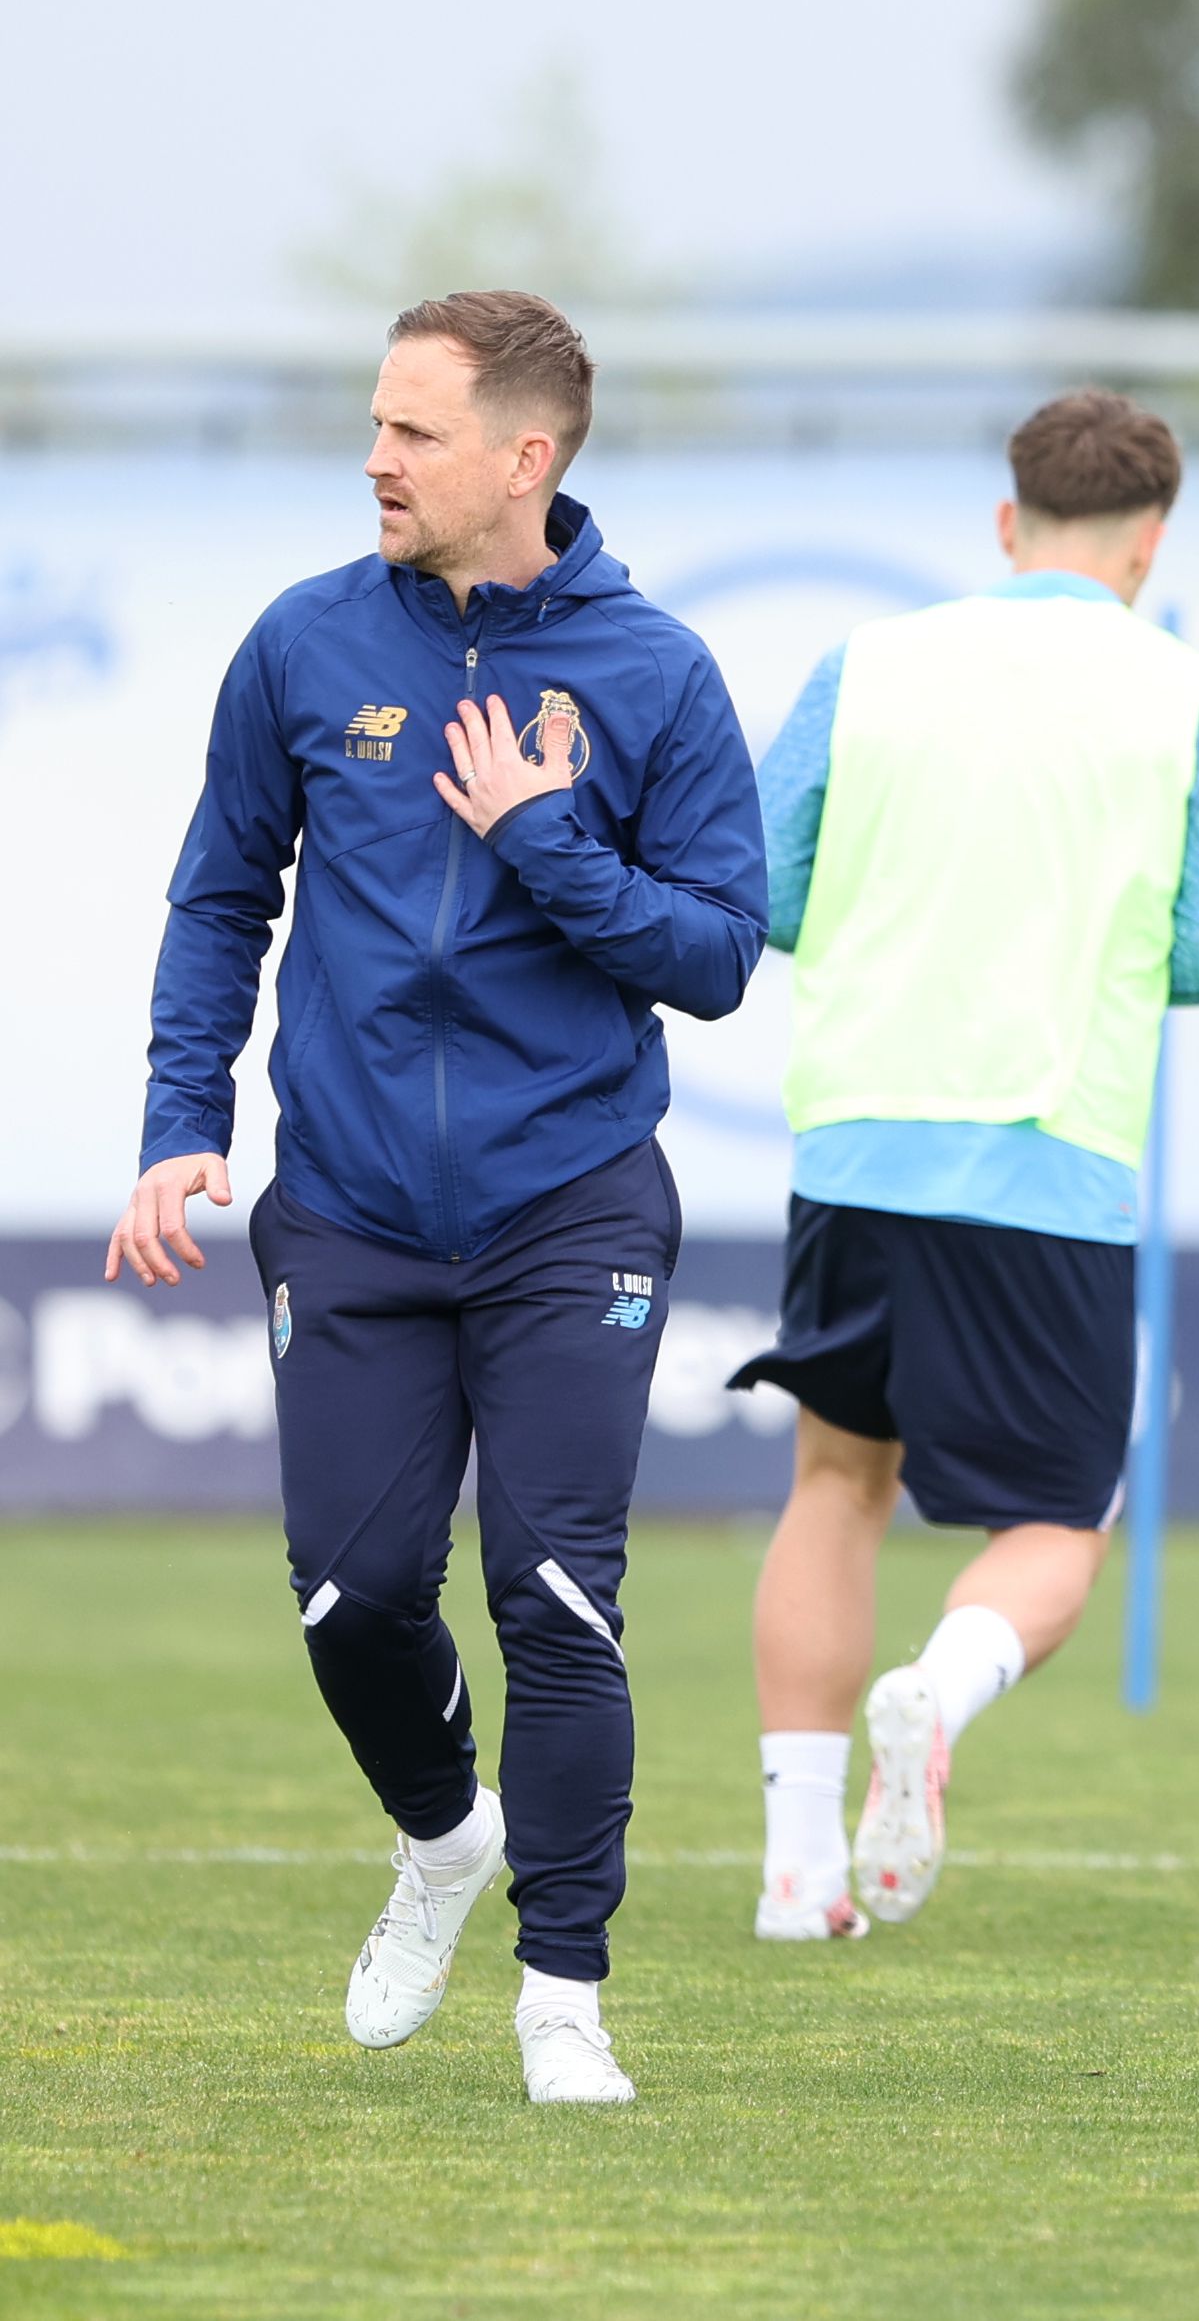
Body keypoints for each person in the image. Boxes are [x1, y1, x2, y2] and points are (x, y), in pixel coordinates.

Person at [112, 292, 766, 2105]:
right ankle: (438, 1839)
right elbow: (218, 900)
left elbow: (716, 959)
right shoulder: (304, 645)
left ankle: (565, 1992)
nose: (377, 459)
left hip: (572, 1204)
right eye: (377, 424)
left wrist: (540, 838)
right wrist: (182, 1121)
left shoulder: (657, 674)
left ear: (523, 459)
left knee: (555, 1593)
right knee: (352, 1596)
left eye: (413, 432)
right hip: (345, 1213)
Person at [735, 391, 1199, 1942]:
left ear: (1005, 522)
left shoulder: (867, 663)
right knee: (1052, 1522)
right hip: (1048, 1148)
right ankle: (943, 1684)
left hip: (857, 1136)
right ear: (1149, 543)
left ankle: (794, 1871)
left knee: (833, 1484)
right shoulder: (1190, 693)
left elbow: (758, 892)